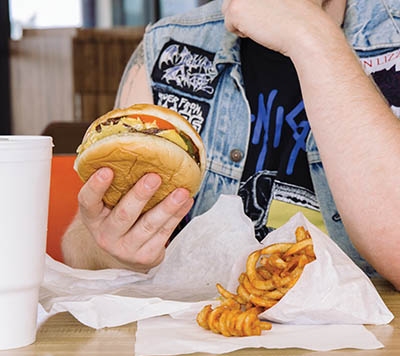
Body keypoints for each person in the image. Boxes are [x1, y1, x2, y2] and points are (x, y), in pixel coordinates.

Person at [62, 0, 400, 290]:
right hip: (201, 353)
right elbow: (80, 242)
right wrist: (112, 248)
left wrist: (313, 35)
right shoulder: (168, 48)